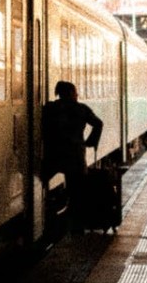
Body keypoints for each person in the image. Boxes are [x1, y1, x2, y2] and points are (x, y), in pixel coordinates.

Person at [41, 81, 103, 228]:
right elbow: (98, 123)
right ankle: (77, 222)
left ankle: (44, 209)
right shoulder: (81, 109)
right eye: (75, 92)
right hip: (75, 155)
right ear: (70, 93)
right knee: (77, 189)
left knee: (41, 178)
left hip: (54, 154)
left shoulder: (51, 108)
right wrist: (90, 142)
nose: (77, 95)